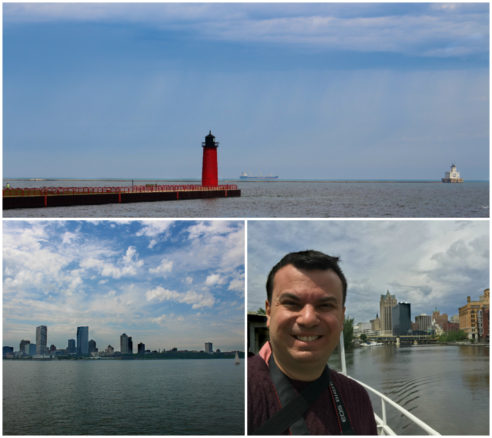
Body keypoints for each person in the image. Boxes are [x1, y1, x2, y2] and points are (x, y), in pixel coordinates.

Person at [248, 250, 377, 435]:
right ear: (269, 312)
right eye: (292, 303)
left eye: (325, 305)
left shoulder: (357, 396)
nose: (308, 319)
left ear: (341, 316)